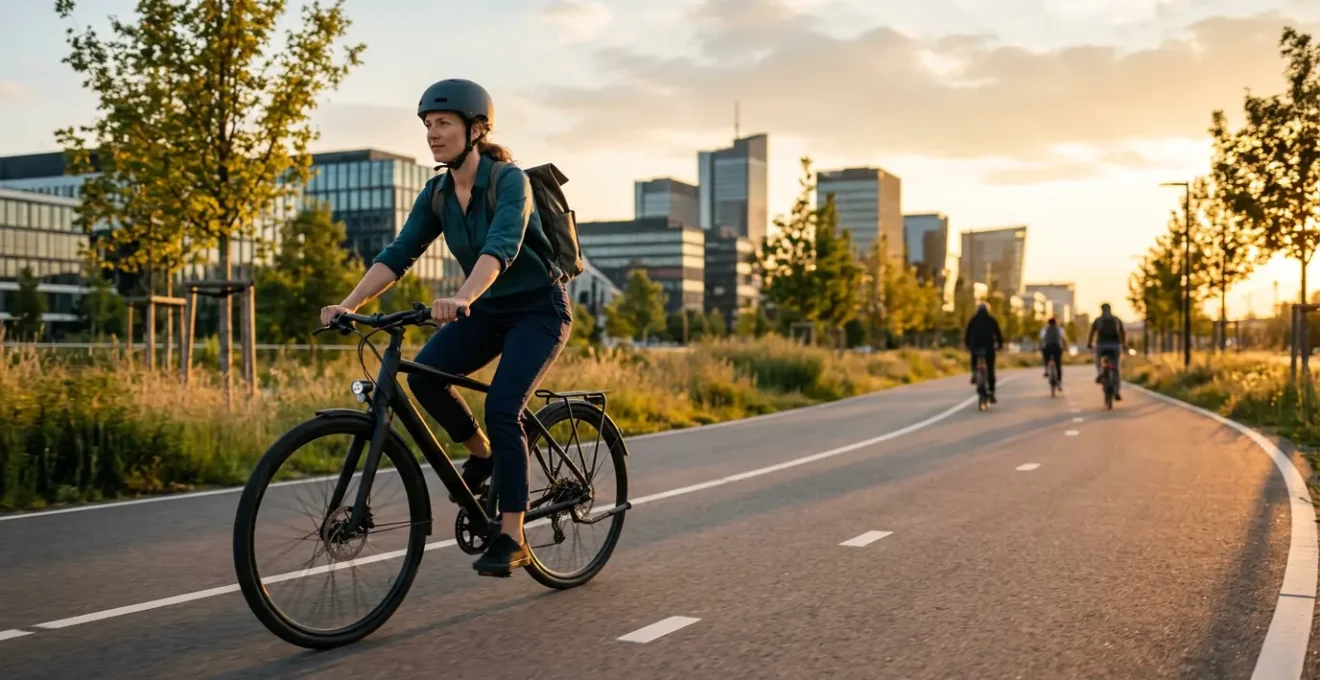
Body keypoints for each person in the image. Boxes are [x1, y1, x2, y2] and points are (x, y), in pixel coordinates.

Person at [319, 78, 573, 576]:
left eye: (444, 124)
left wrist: (461, 297)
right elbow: (398, 255)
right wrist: (346, 305)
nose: (433, 134)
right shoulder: (437, 193)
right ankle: (482, 455)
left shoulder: (508, 181)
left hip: (538, 308)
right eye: (428, 125)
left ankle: (512, 536)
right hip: (486, 309)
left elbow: (501, 247)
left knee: (504, 407)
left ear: (476, 130)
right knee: (424, 376)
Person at [964, 302, 1004, 402]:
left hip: (976, 347)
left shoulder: (973, 320)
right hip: (989, 348)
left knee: (974, 361)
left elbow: (968, 333)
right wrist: (999, 345)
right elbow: (998, 334)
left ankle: (974, 374)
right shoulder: (991, 320)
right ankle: (991, 391)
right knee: (990, 369)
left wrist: (968, 345)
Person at [1087, 303, 1126, 401]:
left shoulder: (1098, 320)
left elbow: (1092, 333)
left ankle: (1100, 373)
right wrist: (1124, 344)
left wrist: (1089, 344)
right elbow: (1122, 332)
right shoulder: (1116, 319)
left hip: (1101, 345)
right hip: (1115, 345)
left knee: (1098, 359)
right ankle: (1116, 391)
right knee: (1116, 368)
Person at [1039, 317, 1068, 389]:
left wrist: (1040, 347)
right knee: (1058, 364)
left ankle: (1046, 370)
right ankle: (1059, 383)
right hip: (1057, 348)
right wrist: (1065, 347)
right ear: (1056, 323)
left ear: (1048, 323)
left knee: (1046, 358)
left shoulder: (1045, 329)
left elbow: (1041, 339)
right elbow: (1063, 339)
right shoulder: (1060, 329)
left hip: (1047, 347)